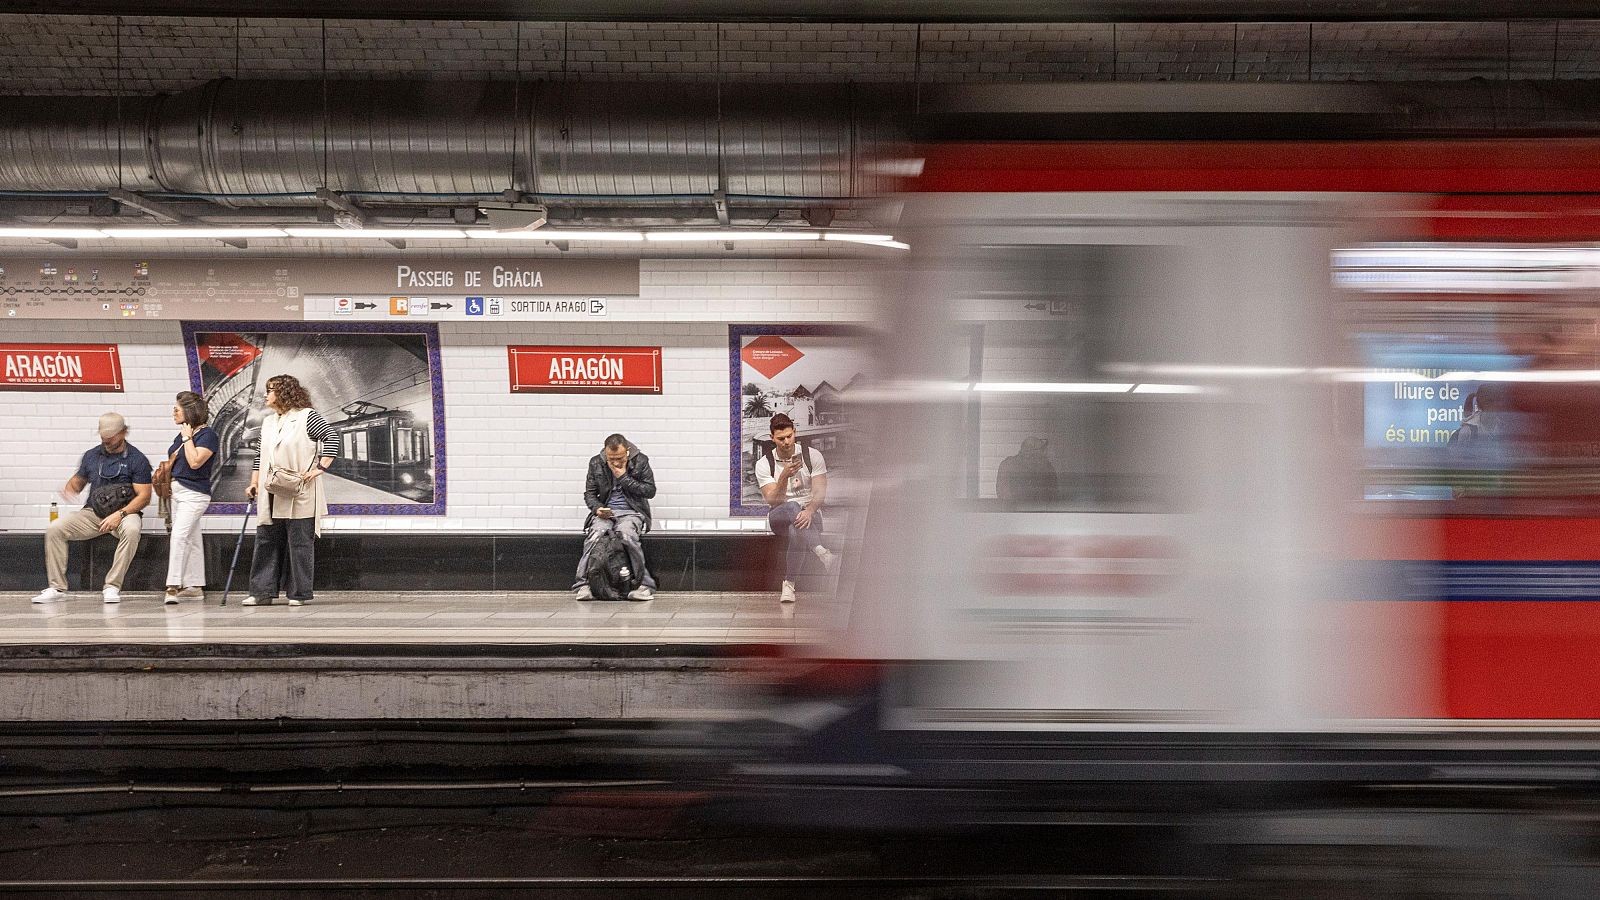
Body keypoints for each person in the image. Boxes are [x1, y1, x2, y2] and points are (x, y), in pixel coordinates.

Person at [31, 412, 153, 605]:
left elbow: (144, 496)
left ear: (124, 432)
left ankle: (112, 586)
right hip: (94, 513)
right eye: (104, 437)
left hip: (124, 513)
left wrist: (120, 514)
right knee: (55, 529)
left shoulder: (137, 459)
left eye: (111, 437)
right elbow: (78, 483)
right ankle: (57, 587)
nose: (107, 441)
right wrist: (71, 486)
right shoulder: (92, 455)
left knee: (132, 530)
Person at [243, 374, 338, 607]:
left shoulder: (307, 417)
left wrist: (319, 469)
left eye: (270, 390)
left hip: (299, 489)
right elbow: (259, 456)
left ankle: (298, 594)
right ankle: (261, 592)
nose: (266, 395)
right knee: (266, 541)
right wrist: (254, 482)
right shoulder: (268, 422)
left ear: (284, 393)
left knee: (300, 543)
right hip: (270, 491)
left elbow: (332, 438)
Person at [756, 413, 835, 604]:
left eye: (789, 436)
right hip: (779, 516)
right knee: (792, 505)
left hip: (810, 515)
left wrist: (809, 511)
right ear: (772, 438)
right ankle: (822, 552)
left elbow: (820, 493)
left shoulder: (812, 455)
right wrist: (784, 476)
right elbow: (773, 500)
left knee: (795, 530)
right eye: (781, 438)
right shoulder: (764, 463)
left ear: (795, 433)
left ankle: (788, 585)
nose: (786, 442)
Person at [574, 434, 657, 601]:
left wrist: (623, 477)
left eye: (620, 458)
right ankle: (583, 585)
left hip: (632, 511)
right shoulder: (596, 462)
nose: (616, 462)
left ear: (627, 451)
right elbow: (590, 494)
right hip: (606, 512)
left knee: (627, 534)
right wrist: (597, 509)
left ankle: (644, 585)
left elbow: (649, 491)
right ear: (606, 453)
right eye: (611, 459)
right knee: (595, 535)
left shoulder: (641, 461)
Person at [161, 391, 219, 605]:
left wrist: (187, 438)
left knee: (179, 536)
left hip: (194, 495)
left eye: (176, 409)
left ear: (189, 411)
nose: (173, 413)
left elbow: (195, 462)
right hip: (177, 492)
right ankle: (194, 586)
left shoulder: (208, 436)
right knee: (192, 539)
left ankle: (173, 585)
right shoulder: (183, 434)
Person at [996, 437, 1060, 502]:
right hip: (1019, 506)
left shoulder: (1047, 467)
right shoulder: (1008, 465)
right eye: (1042, 450)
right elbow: (1004, 494)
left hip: (1036, 506)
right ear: (1030, 454)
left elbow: (1053, 494)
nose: (1045, 453)